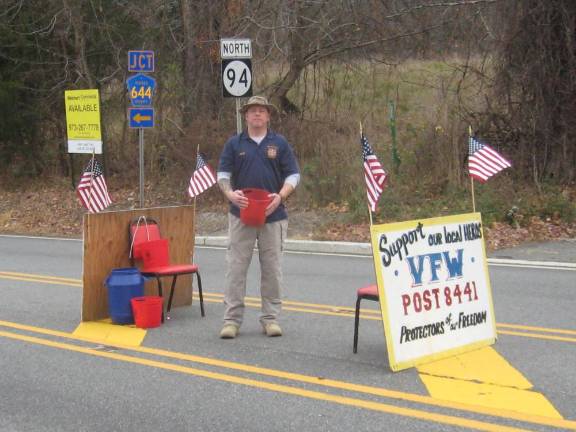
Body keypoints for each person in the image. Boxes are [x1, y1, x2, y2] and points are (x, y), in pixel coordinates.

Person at [217, 95, 300, 339]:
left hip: (273, 216)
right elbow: (222, 174)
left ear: (268, 116)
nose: (257, 115)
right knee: (236, 268)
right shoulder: (234, 144)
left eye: (261, 111)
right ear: (245, 116)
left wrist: (281, 196)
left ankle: (270, 319)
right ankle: (231, 321)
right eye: (252, 111)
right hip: (241, 215)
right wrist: (230, 194)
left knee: (272, 269)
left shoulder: (280, 143)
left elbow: (293, 176)